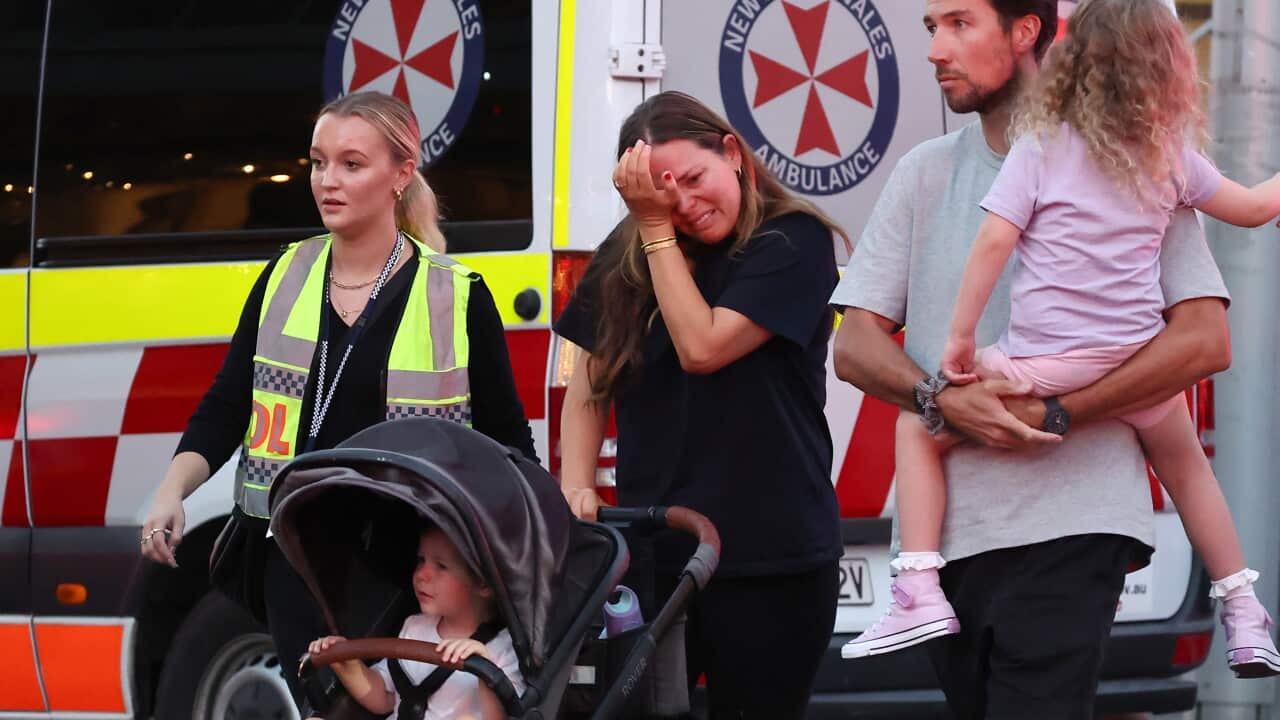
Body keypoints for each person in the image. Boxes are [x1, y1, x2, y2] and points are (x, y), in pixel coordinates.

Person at [851, 0, 1280, 679]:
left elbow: (1205, 343)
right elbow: (852, 347)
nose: (936, 48)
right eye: (931, 27)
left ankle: (915, 586)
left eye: (959, 23)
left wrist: (974, 368)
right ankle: (1244, 604)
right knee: (1190, 465)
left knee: (915, 426)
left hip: (1075, 517)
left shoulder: (1042, 148)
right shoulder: (1164, 157)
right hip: (981, 522)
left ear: (1036, 38)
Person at [139, 90, 537, 707]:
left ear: (401, 174)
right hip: (294, 558)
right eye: (319, 162)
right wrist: (171, 492)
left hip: (406, 568)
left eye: (352, 164)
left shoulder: (455, 294)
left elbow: (509, 442)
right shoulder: (285, 274)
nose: (328, 180)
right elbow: (226, 405)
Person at [554, 91, 846, 718]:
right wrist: (575, 483)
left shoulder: (792, 240)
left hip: (772, 558)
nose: (685, 204)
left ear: (733, 154)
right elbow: (588, 378)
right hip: (655, 552)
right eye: (662, 194)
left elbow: (703, 346)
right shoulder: (630, 251)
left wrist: (655, 229)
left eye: (694, 179)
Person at [305, 524, 525, 719]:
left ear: (483, 583)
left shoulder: (503, 651)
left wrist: (487, 672)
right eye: (421, 560)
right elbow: (384, 698)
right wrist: (347, 664)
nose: (421, 574)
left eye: (441, 566)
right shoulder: (415, 627)